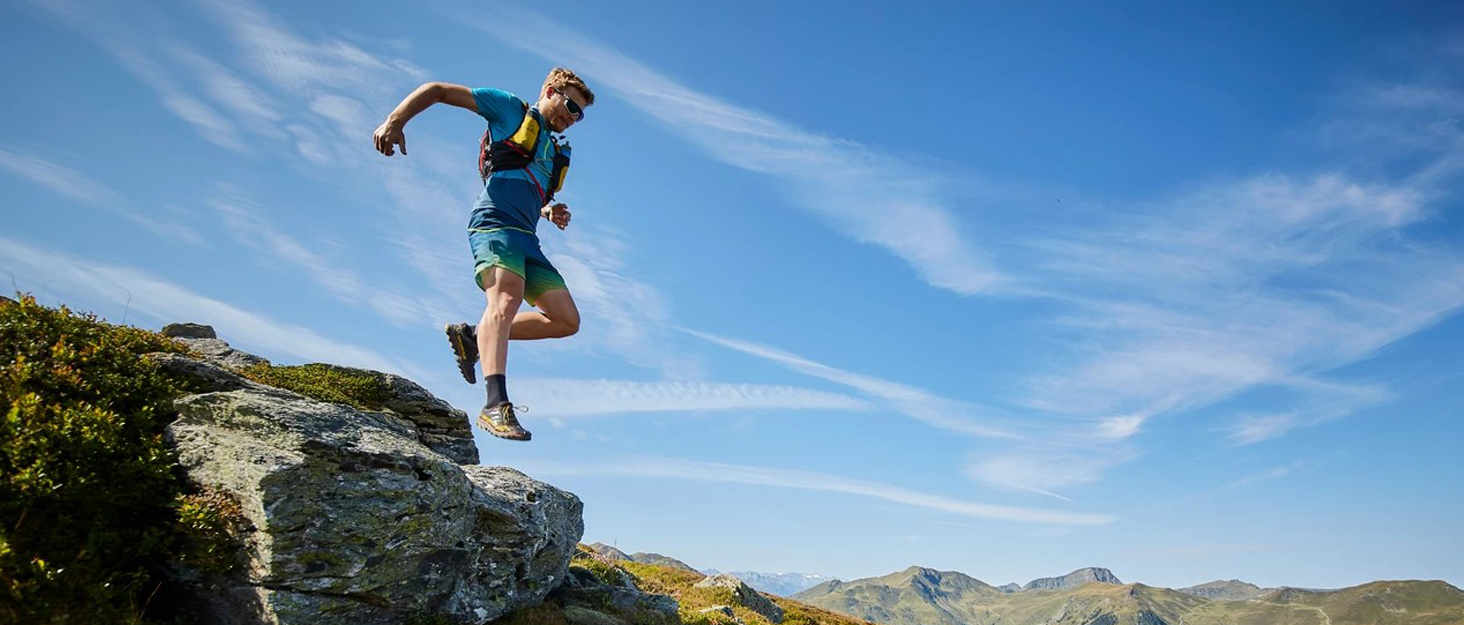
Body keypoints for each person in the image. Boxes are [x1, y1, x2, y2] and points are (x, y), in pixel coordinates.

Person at [373, 67, 595, 442]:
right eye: (569, 105)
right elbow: (438, 89)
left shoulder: (553, 151)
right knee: (506, 297)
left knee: (566, 320)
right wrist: (395, 121)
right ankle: (495, 403)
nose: (571, 118)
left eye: (579, 114)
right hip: (494, 224)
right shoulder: (509, 109)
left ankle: (473, 336)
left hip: (528, 237)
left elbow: (525, 186)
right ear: (550, 90)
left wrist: (547, 210)